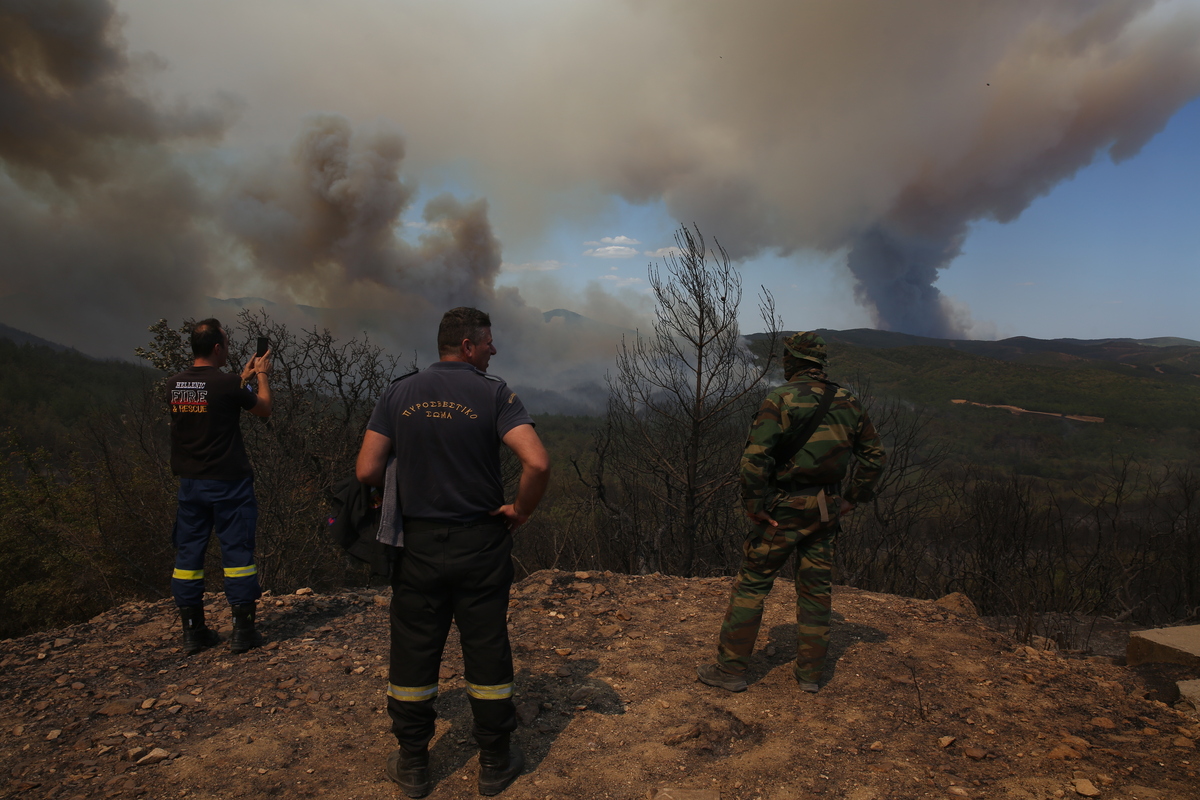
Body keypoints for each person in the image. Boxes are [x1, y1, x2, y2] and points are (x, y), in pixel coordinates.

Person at [356, 306, 550, 798]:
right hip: (480, 542)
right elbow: (537, 463)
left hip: (416, 543)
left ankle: (415, 765)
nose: (494, 349)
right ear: (468, 346)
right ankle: (495, 762)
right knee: (486, 647)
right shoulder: (494, 394)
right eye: (488, 342)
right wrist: (521, 510)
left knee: (415, 648)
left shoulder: (399, 392)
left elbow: (366, 471)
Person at [697, 331, 885, 694]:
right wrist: (852, 499)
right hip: (826, 509)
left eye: (786, 356)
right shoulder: (848, 400)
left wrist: (754, 506)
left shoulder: (780, 399)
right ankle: (810, 676)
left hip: (784, 509)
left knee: (752, 584)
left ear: (794, 361)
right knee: (815, 591)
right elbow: (874, 457)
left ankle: (731, 670)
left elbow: (754, 459)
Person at [167, 318, 272, 656]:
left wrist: (239, 379)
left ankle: (193, 632)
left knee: (187, 557)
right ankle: (243, 632)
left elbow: (209, 401)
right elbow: (264, 409)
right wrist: (262, 374)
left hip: (191, 485)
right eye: (225, 343)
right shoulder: (227, 385)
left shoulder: (174, 384)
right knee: (238, 556)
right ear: (217, 348)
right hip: (229, 484)